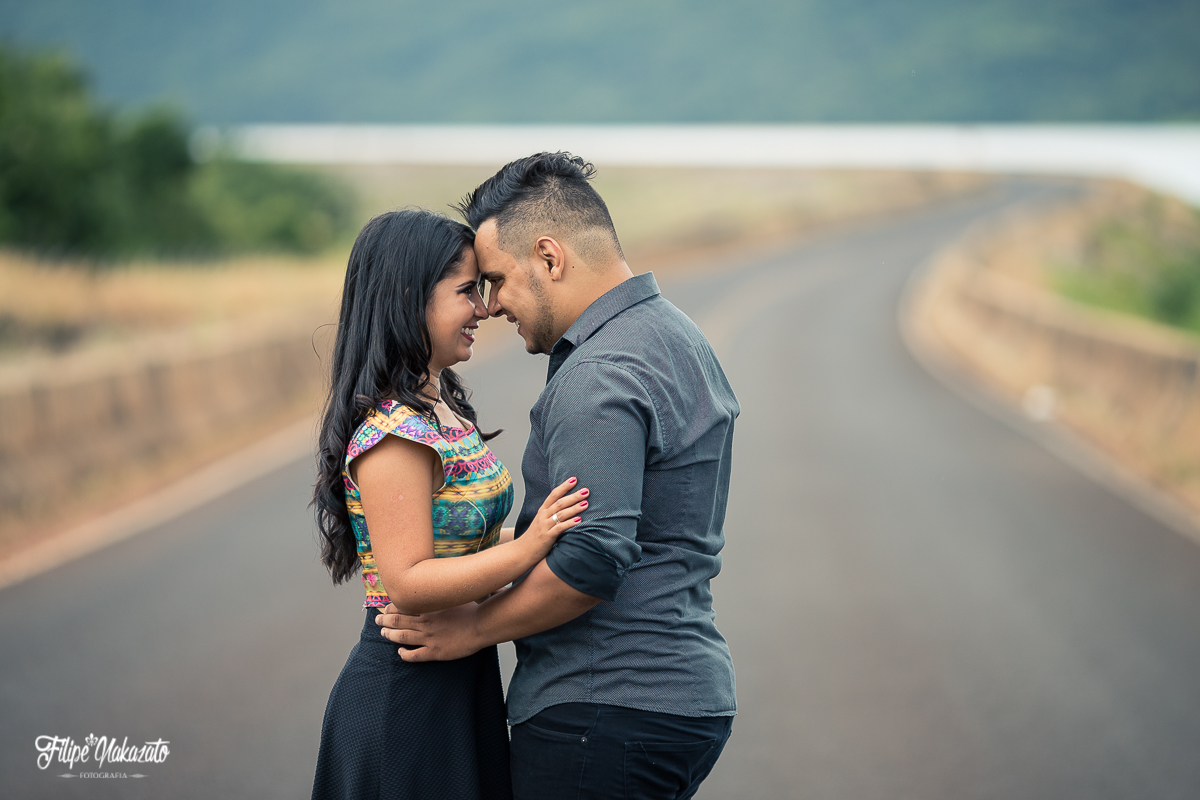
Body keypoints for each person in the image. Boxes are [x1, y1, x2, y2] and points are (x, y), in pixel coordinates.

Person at [374, 153, 740, 800]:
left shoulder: (599, 373)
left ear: (549, 256)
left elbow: (594, 557)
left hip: (603, 709)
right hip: (679, 696)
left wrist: (472, 630)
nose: (490, 306)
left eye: (495, 280)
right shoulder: (676, 336)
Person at [309, 209, 591, 800]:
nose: (484, 310)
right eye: (467, 292)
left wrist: (555, 533)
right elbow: (408, 580)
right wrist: (534, 544)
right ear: (411, 299)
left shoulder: (439, 410)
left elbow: (472, 547)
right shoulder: (393, 432)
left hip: (461, 677)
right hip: (407, 694)